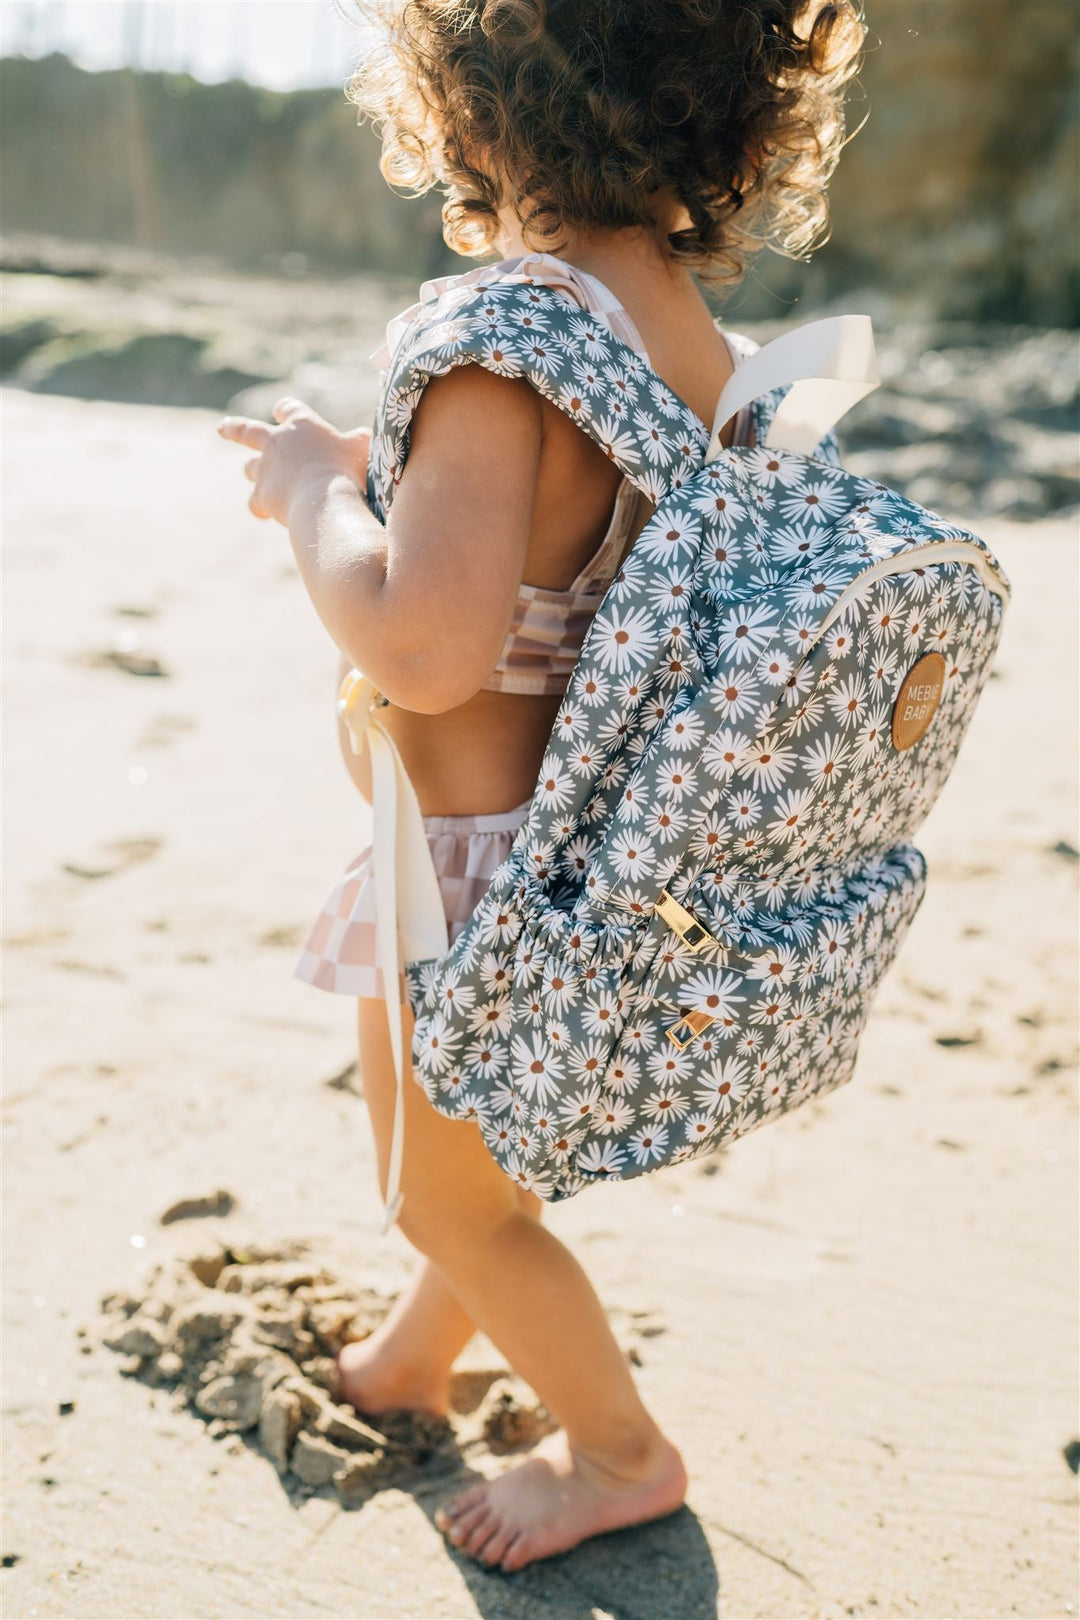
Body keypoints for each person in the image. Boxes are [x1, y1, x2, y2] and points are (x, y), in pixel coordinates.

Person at [218, 0, 865, 1573]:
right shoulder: (697, 355)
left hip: (465, 869)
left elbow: (427, 649)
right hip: (594, 863)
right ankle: (412, 1364)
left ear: (472, 102)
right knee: (477, 1170)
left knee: (442, 1197)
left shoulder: (504, 338)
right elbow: (579, 561)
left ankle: (620, 1451)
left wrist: (317, 496)